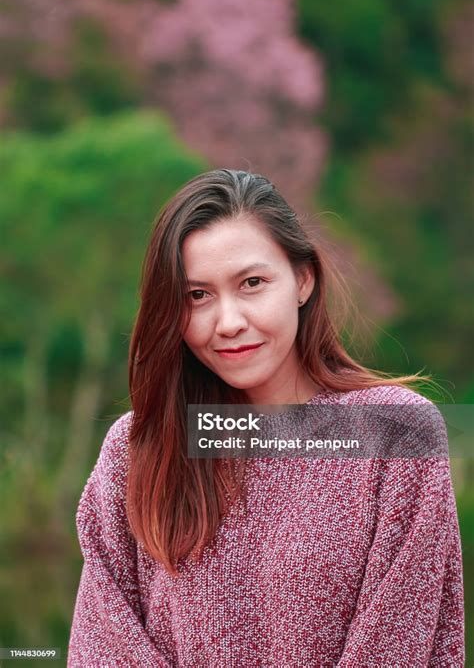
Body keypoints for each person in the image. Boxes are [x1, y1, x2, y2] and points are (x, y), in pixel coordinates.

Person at [67, 169, 464, 667]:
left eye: (252, 283)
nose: (229, 322)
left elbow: (399, 645)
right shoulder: (138, 447)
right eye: (197, 296)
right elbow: (103, 649)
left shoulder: (395, 433)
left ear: (302, 280)